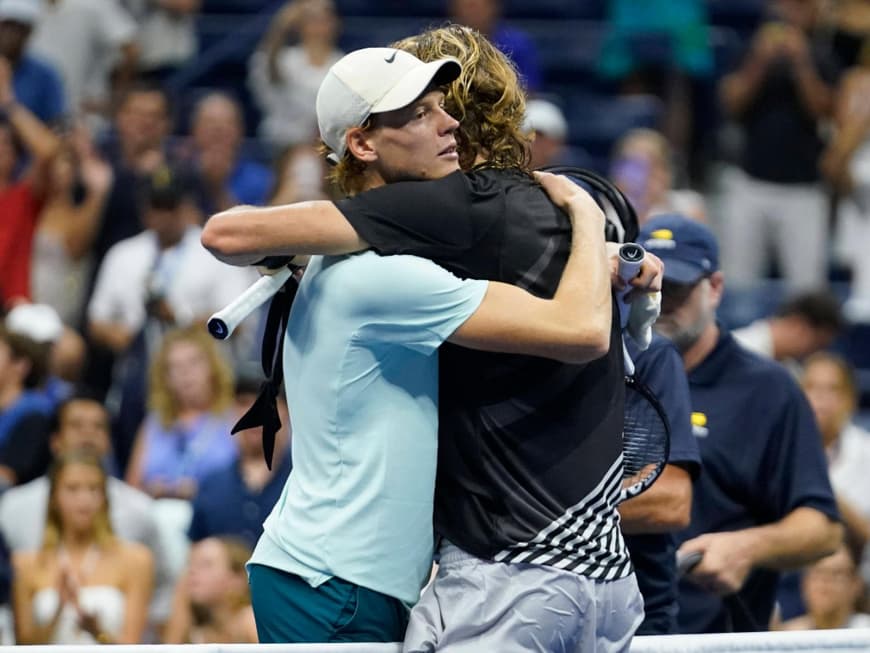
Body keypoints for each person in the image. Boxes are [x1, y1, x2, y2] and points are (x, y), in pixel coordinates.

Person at [203, 26, 663, 651]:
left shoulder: (368, 263)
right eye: (419, 115)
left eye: (443, 106)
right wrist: (584, 215)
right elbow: (578, 329)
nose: (449, 124)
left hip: (348, 577)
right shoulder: (390, 279)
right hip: (332, 580)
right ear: (362, 143)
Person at [638, 213, 842, 633]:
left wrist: (748, 546)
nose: (659, 303)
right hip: (609, 630)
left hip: (714, 632)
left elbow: (822, 529)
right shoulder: (605, 374)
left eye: (674, 289)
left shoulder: (767, 390)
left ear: (714, 289)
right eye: (647, 286)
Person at [0, 392, 173, 628]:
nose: (88, 434)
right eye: (76, 425)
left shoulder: (139, 508)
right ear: (55, 441)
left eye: (98, 427)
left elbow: (163, 591)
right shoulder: (13, 507)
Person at [11, 450, 153, 644]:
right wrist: (58, 611)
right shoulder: (25, 565)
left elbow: (132, 646)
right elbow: (23, 646)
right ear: (54, 498)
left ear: (105, 498)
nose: (84, 499)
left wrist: (97, 632)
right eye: (72, 489)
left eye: (94, 489)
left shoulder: (136, 560)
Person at [619, 333, 701, 635]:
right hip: (524, 597)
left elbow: (670, 503)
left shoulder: (650, 354)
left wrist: (540, 502)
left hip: (637, 617)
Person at [125, 326, 238, 500]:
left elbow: (250, 481)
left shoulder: (234, 417)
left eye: (194, 362)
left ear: (213, 367)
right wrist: (151, 490)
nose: (185, 373)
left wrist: (202, 491)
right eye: (175, 367)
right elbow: (131, 489)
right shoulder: (155, 422)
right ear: (165, 378)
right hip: (156, 515)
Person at [187, 376, 291, 548]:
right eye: (244, 403)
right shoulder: (212, 485)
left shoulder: (306, 482)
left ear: (287, 412)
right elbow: (195, 556)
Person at [163, 536, 258, 644]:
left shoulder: (249, 621)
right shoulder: (198, 632)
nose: (192, 571)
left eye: (206, 564)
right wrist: (180, 605)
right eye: (190, 563)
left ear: (237, 579)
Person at [733, 291, 844, 372]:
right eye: (817, 344)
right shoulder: (737, 349)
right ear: (800, 326)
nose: (814, 353)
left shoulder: (793, 371)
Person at [779, 545, 870, 630]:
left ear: (856, 584)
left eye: (836, 574)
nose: (825, 582)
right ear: (804, 583)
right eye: (818, 573)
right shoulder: (790, 635)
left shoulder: (865, 630)